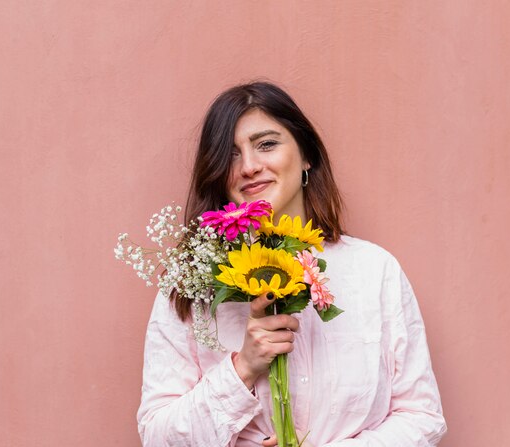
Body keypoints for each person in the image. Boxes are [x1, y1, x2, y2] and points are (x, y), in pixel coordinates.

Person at [137, 81, 447, 446]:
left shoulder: (375, 272)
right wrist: (243, 369)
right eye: (231, 154)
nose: (250, 166)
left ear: (306, 156)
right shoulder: (192, 285)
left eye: (266, 144)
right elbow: (157, 437)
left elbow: (421, 417)